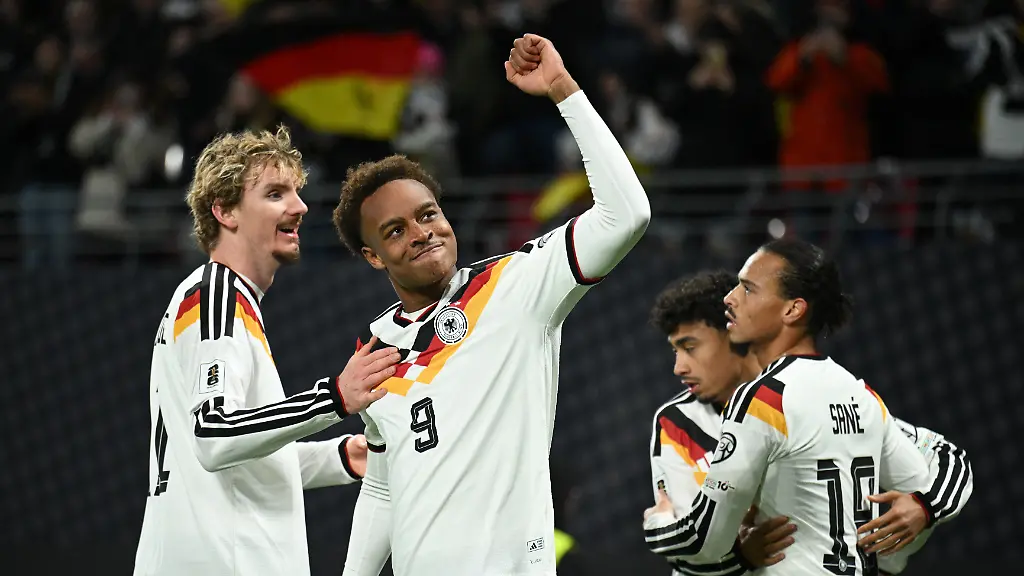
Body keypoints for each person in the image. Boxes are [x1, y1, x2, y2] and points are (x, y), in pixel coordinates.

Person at [336, 33, 650, 576]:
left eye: (428, 214)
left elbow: (626, 215)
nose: (421, 233)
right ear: (372, 257)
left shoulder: (516, 284)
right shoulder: (375, 352)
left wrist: (564, 91)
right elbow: (383, 490)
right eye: (395, 230)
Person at [133, 126, 400, 576]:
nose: (299, 207)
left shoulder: (221, 299)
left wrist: (340, 456)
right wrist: (335, 397)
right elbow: (214, 436)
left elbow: (240, 460)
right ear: (224, 211)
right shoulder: (216, 295)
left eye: (295, 193)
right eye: (275, 194)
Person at [647, 270, 973, 575]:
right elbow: (689, 550)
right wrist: (740, 556)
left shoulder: (809, 400)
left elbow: (945, 456)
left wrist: (923, 506)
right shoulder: (677, 425)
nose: (679, 367)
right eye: (675, 350)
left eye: (690, 348)